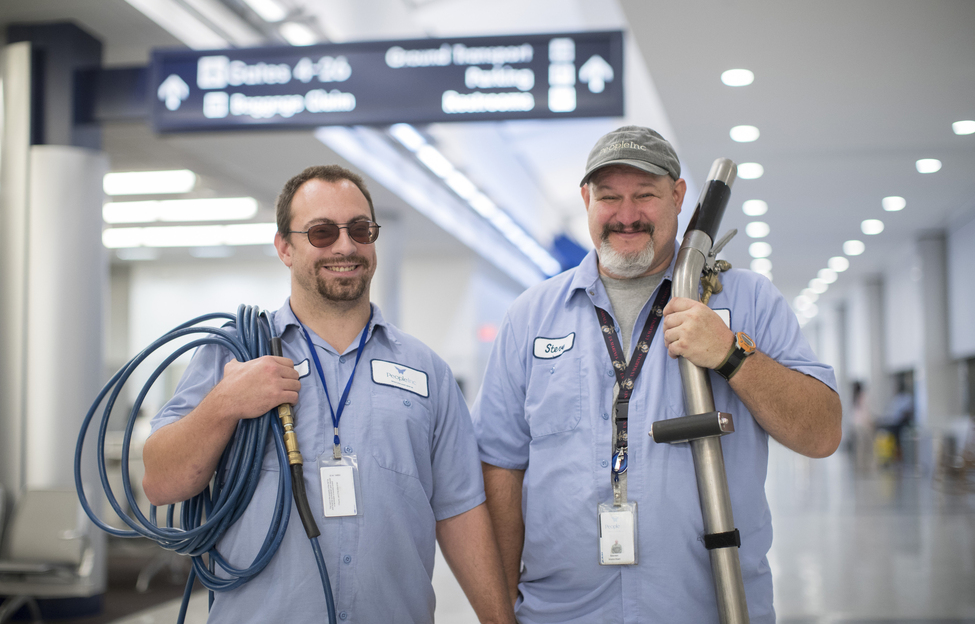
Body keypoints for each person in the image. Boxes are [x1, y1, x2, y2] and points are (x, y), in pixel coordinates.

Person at [471, 126, 842, 623]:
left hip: (711, 608)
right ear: (586, 200)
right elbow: (500, 467)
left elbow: (822, 432)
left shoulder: (748, 300)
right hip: (561, 613)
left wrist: (732, 356)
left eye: (645, 195)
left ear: (679, 196)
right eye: (609, 197)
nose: (626, 215)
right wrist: (499, 615)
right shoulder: (531, 316)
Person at [142, 165, 514, 624]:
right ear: (285, 247)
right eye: (321, 232)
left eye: (360, 229)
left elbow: (460, 510)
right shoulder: (233, 355)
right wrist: (225, 403)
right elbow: (161, 483)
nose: (345, 246)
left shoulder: (427, 371)